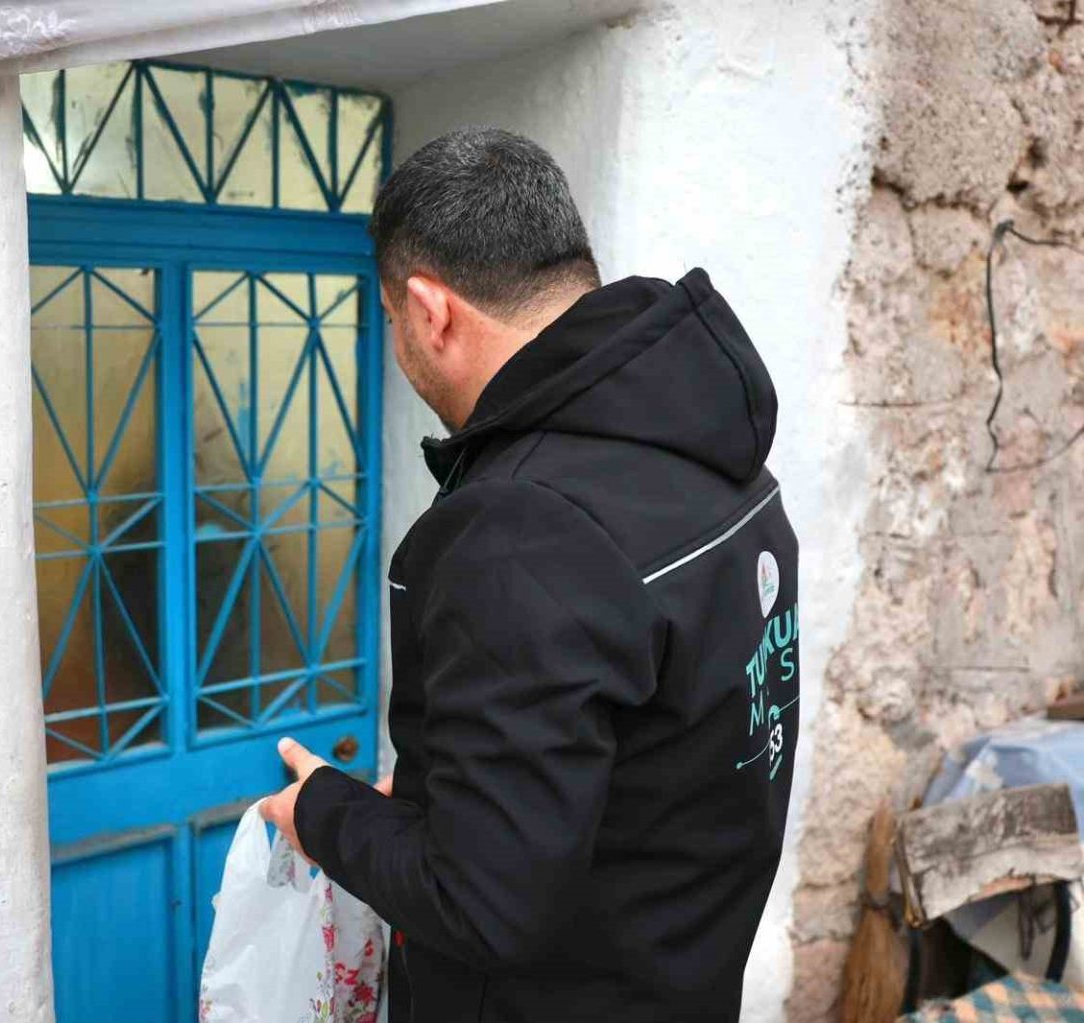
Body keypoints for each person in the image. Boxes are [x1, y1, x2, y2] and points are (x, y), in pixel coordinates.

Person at [260, 127, 801, 1022]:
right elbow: (641, 761)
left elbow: (484, 904)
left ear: (431, 310)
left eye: (389, 319)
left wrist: (324, 811)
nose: (398, 342)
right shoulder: (717, 455)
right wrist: (443, 801)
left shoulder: (521, 530)